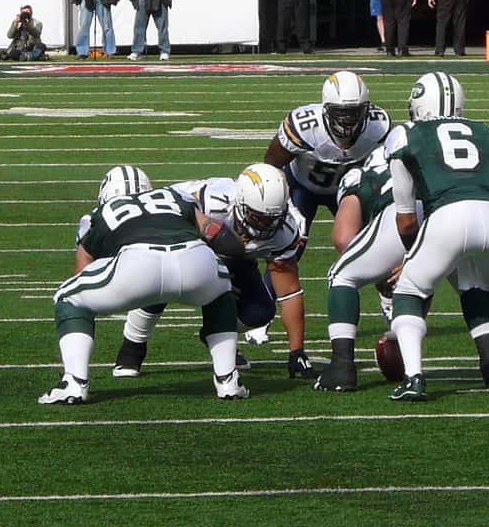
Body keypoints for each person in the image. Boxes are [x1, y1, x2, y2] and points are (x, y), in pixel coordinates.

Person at [39, 167, 247, 405]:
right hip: (195, 257)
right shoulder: (172, 196)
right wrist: (239, 256)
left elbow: (83, 269)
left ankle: (74, 382)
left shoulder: (98, 214)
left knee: (68, 297)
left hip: (138, 262)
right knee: (221, 292)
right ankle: (228, 379)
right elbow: (215, 232)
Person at [384, 72, 489, 399]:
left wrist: (413, 257)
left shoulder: (405, 134)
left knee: (409, 290)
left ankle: (413, 377)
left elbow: (406, 219)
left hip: (448, 215)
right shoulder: (486, 131)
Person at [110, 165, 312, 378]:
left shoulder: (285, 229)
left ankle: (217, 335)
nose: (267, 224)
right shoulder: (212, 204)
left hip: (234, 255)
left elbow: (289, 292)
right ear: (241, 203)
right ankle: (132, 347)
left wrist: (296, 352)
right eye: (259, 217)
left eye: (273, 217)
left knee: (259, 311)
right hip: (180, 236)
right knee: (164, 277)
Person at [312, 144, 408, 393]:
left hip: (400, 220)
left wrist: (381, 266)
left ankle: (342, 366)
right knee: (477, 283)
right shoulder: (423, 169)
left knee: (342, 274)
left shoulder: (360, 177)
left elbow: (343, 239)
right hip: (460, 217)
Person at [264, 71, 396, 220]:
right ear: (325, 108)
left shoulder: (379, 126)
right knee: (293, 230)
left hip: (347, 189)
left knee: (359, 232)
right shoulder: (304, 128)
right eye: (341, 112)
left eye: (355, 112)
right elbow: (271, 165)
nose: (348, 119)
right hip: (301, 186)